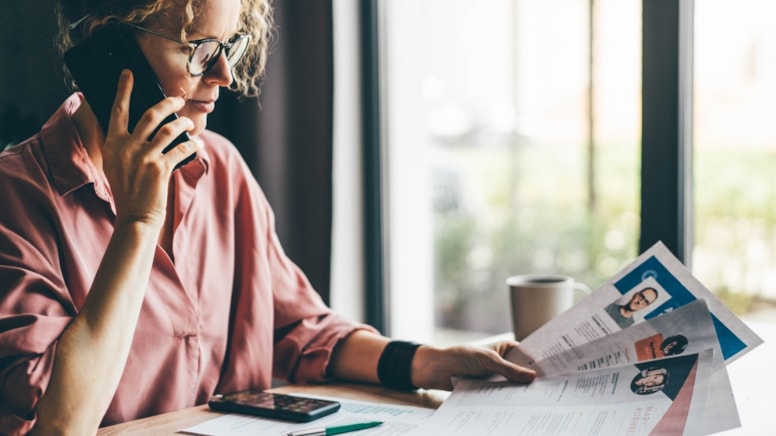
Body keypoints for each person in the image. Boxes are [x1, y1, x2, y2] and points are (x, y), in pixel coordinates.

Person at [0, 0, 536, 434]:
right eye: (200, 49)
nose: (224, 74)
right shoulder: (17, 196)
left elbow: (301, 330)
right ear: (108, 45)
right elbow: (59, 424)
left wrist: (432, 362)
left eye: (229, 45)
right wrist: (139, 222)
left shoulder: (221, 170)